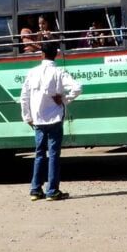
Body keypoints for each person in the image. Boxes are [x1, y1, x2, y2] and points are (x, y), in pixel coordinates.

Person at [20, 41, 82, 201]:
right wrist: (64, 99)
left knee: (39, 154)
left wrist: (27, 117)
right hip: (55, 119)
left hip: (38, 120)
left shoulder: (32, 73)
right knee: (54, 154)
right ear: (56, 55)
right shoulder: (59, 72)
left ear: (41, 54)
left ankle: (35, 190)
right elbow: (78, 88)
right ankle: (52, 191)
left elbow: (24, 97)